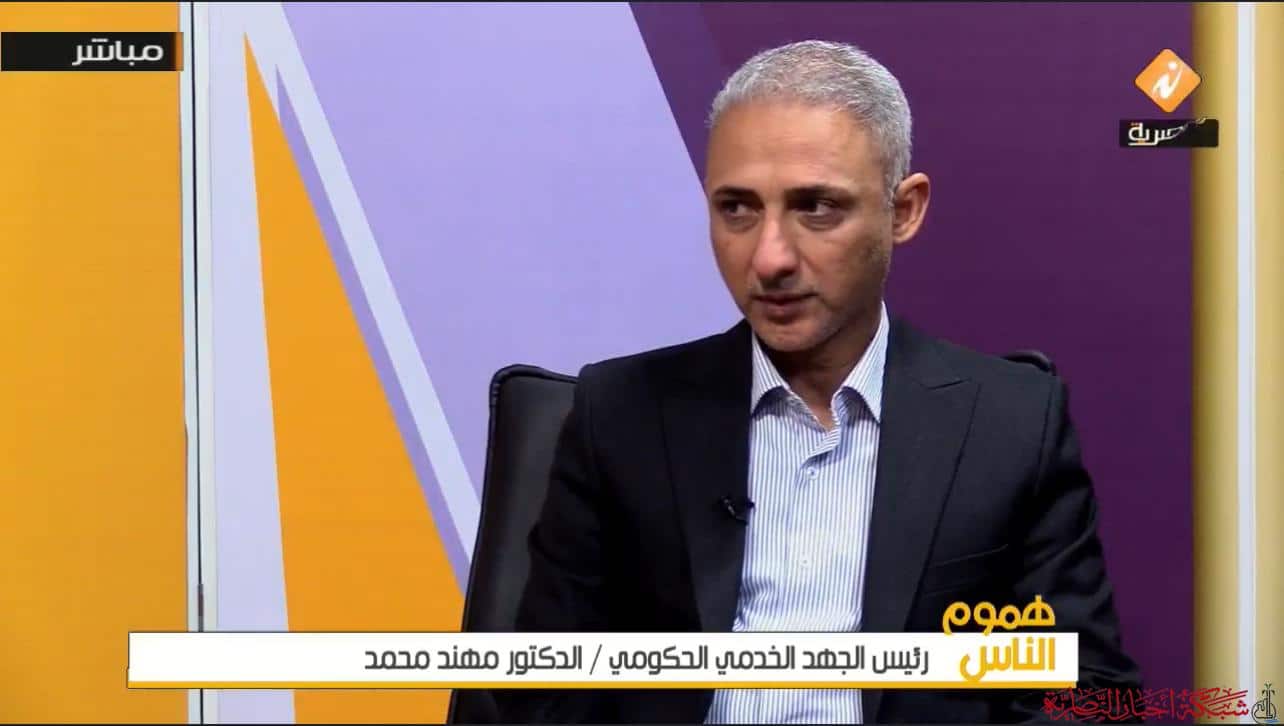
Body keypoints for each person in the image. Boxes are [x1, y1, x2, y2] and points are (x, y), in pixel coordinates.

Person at [494, 40, 1141, 724]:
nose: (769, 258)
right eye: (737, 209)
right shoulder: (620, 414)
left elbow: (1089, 691)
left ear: (904, 211)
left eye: (817, 207)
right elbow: (545, 687)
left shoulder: (1012, 424)